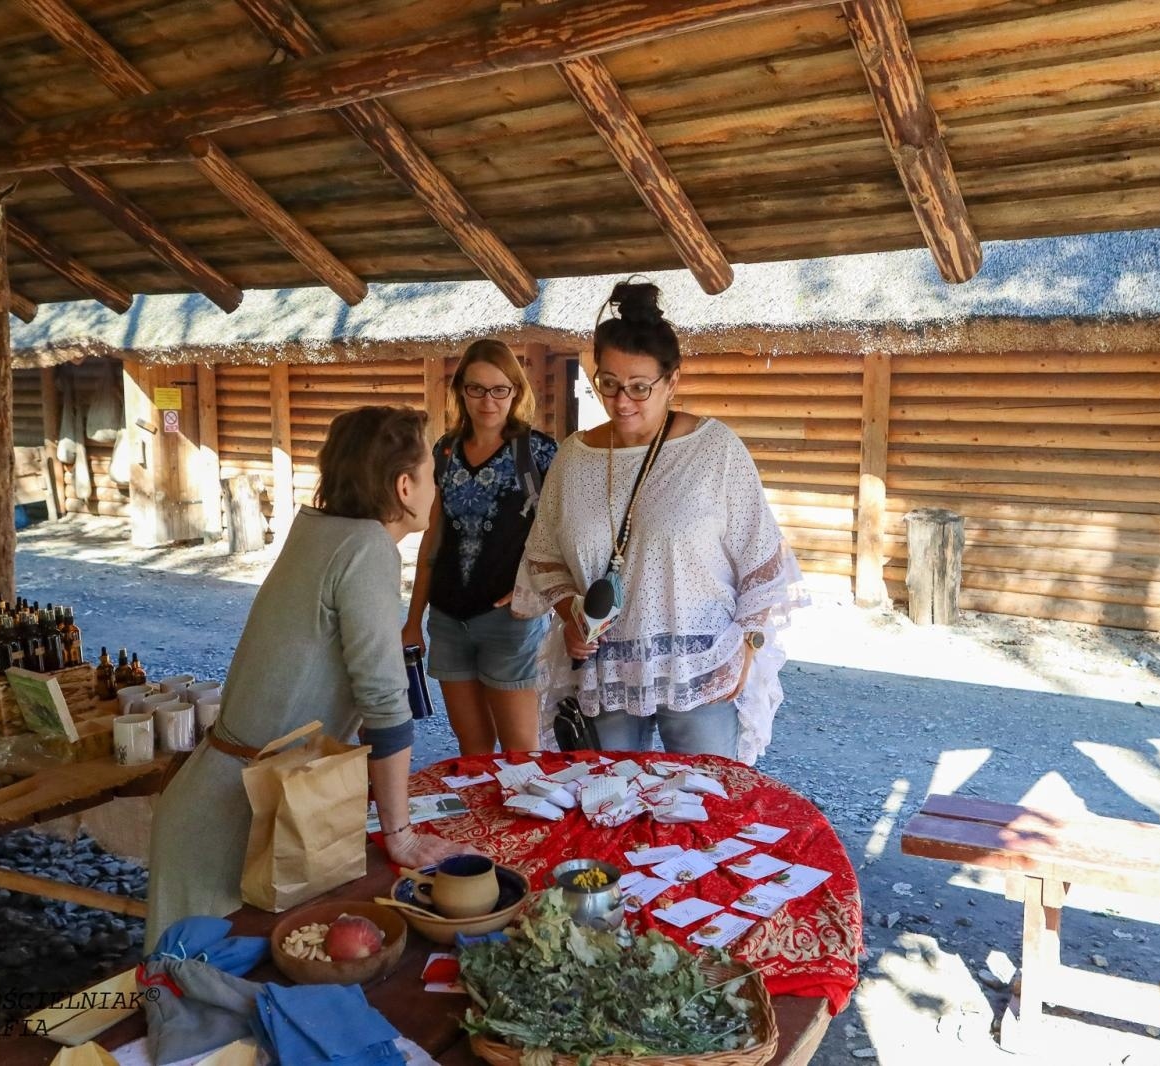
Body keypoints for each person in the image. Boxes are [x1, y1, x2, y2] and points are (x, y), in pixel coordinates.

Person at [146, 406, 467, 947]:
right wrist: (401, 835)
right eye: (431, 476)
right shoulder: (366, 548)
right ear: (405, 486)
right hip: (236, 818)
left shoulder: (320, 531)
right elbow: (386, 706)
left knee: (195, 994)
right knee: (197, 1000)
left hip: (221, 800)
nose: (436, 491)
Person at [513, 281, 804, 763]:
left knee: (704, 810)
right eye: (608, 383)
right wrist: (571, 619)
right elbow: (545, 557)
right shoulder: (573, 457)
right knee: (609, 807)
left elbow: (762, 562)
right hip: (606, 671)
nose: (622, 400)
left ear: (673, 381)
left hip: (700, 668)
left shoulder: (714, 449)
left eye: (640, 387)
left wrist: (748, 648)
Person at [403, 340, 558, 755]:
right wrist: (413, 618)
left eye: (499, 390)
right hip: (449, 620)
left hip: (510, 621)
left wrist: (538, 591)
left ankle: (526, 823)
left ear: (516, 392)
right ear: (460, 392)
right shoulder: (445, 452)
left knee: (520, 753)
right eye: (476, 389)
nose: (488, 401)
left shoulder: (540, 453)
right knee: (473, 753)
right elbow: (433, 536)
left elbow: (567, 534)